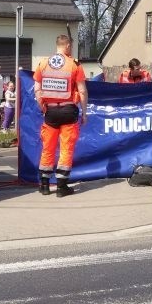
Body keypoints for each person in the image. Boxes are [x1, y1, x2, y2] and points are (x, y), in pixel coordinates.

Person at [33, 34, 88, 197]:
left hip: (50, 112)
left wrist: (42, 106)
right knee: (66, 148)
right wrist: (85, 112)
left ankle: (44, 185)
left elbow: (37, 89)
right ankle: (62, 187)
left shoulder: (42, 64)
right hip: (68, 111)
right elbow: (83, 91)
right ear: (68, 46)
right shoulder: (74, 65)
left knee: (48, 147)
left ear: (57, 45)